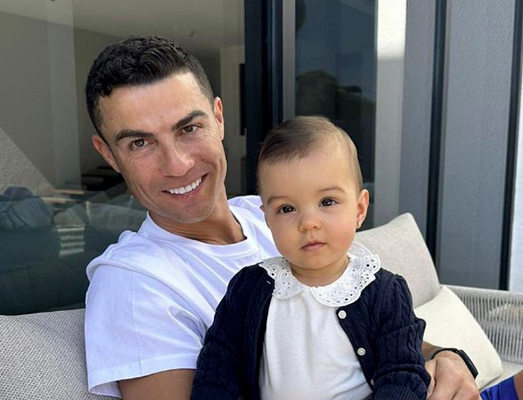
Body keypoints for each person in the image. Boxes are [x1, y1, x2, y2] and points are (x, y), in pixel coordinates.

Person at [83, 35, 478, 400]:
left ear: (218, 118)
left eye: (189, 128)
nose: (178, 164)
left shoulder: (272, 211)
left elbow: (366, 323)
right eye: (140, 142)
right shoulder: (134, 284)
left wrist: (443, 357)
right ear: (107, 154)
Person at [190, 116, 430, 399]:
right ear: (267, 219)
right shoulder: (248, 289)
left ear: (359, 209)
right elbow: (218, 368)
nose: (308, 223)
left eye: (327, 202)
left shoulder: (384, 293)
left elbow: (403, 374)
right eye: (287, 209)